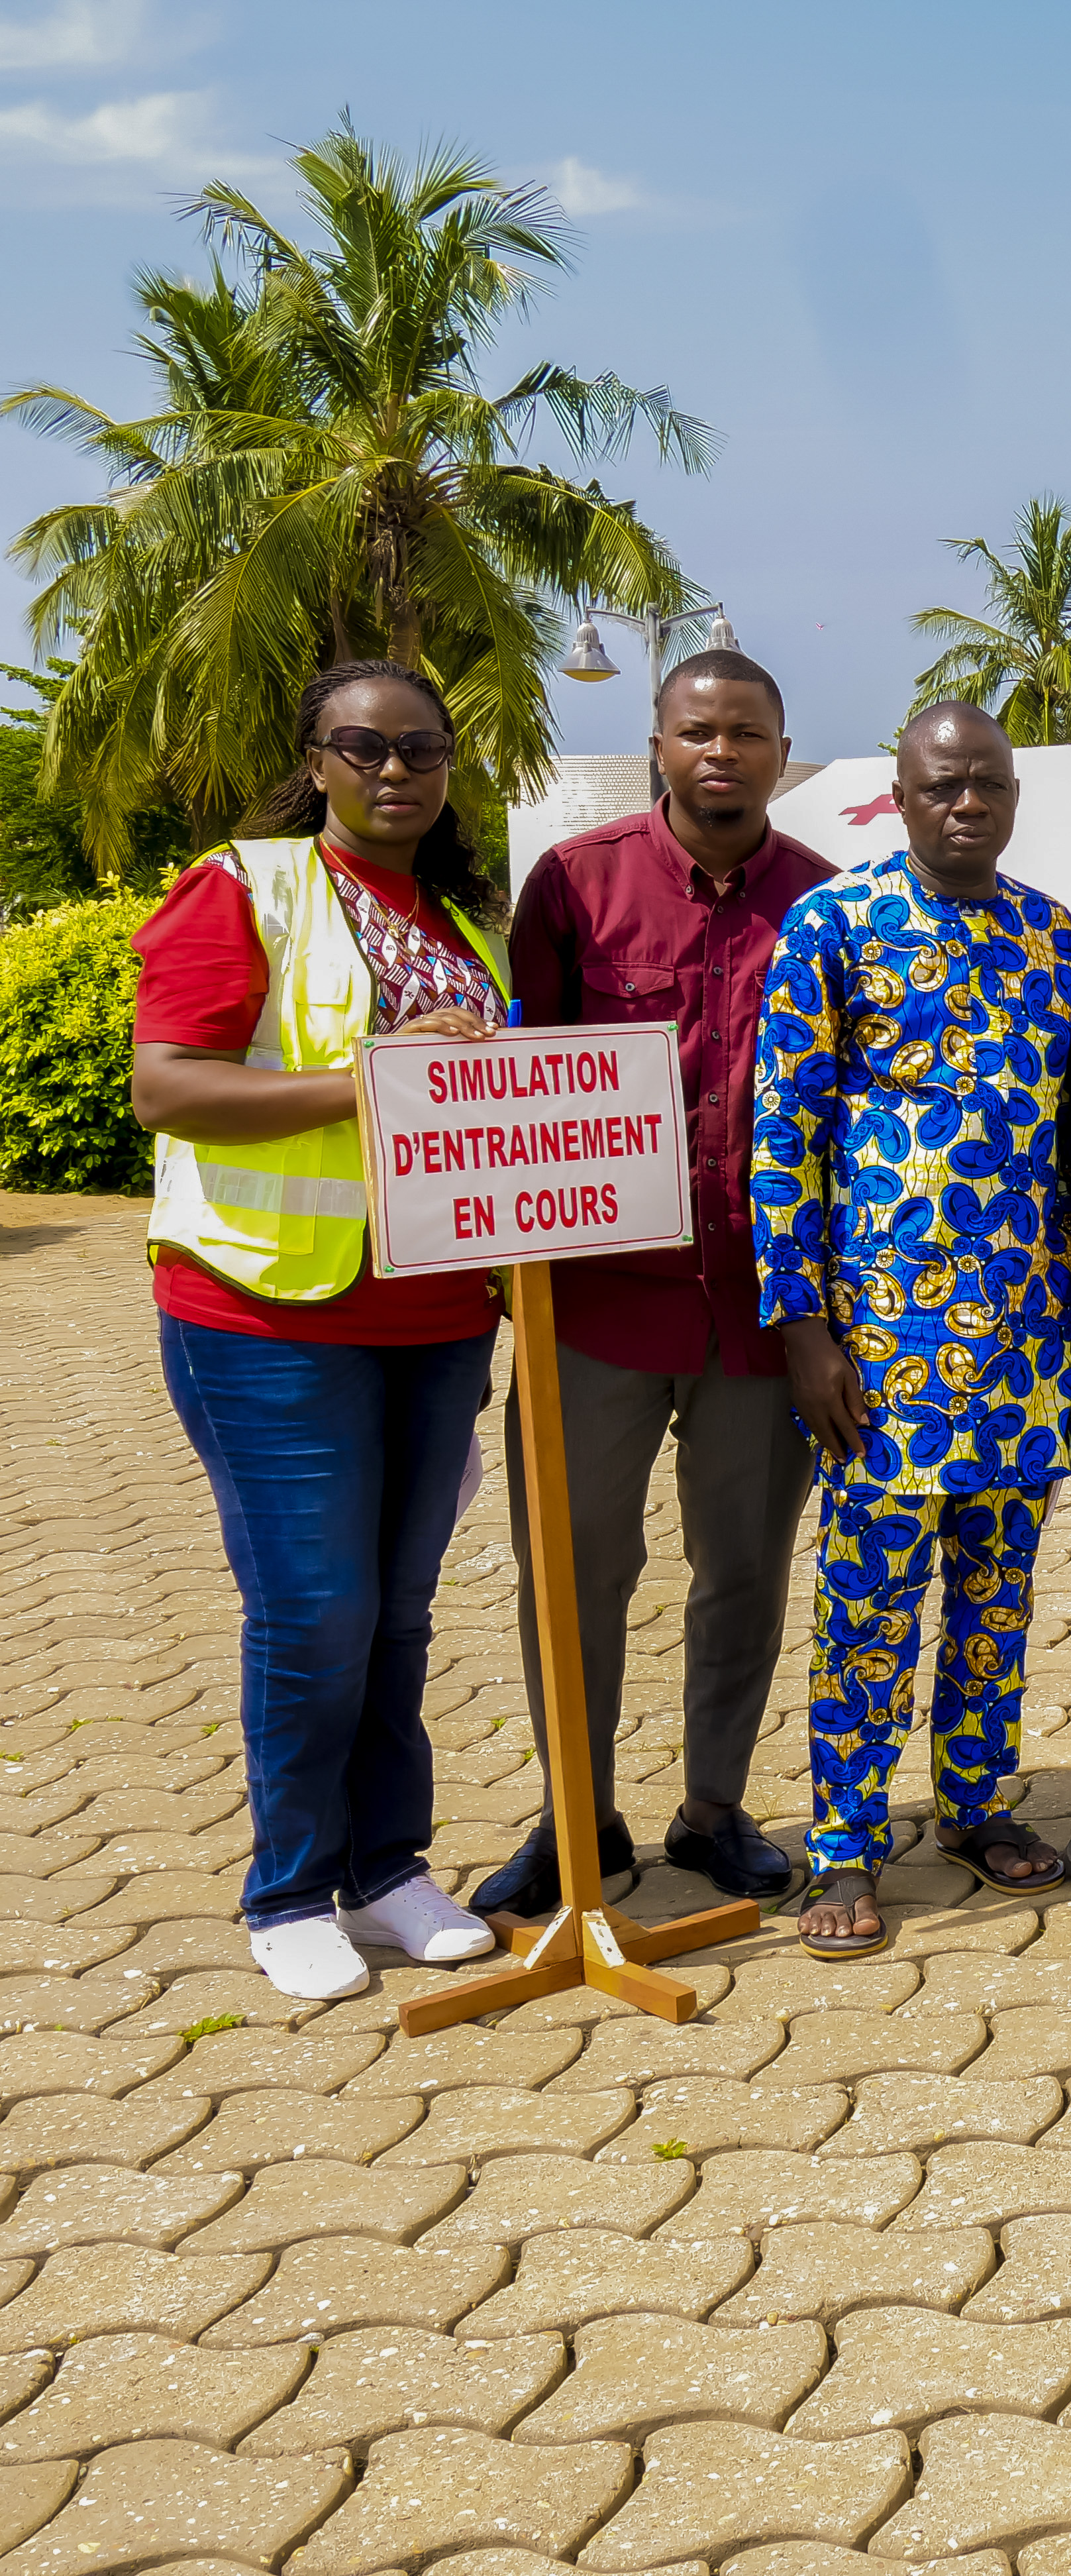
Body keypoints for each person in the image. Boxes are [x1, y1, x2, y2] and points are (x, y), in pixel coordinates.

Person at [128, 661, 511, 2000]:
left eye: (420, 748)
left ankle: (390, 1870)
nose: (395, 770)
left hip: (437, 1316)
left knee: (397, 1614)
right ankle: (290, 1887)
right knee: (314, 1612)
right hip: (265, 1313)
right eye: (364, 746)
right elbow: (165, 1087)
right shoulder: (249, 889)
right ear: (318, 759)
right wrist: (361, 1087)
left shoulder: (464, 924)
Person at [473, 649, 830, 1919]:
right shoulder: (576, 885)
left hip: (760, 1312)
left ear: (784, 749)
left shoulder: (830, 904)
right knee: (576, 1570)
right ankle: (583, 1821)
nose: (720, 752)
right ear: (658, 745)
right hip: (599, 1309)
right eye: (697, 731)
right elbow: (516, 1088)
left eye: (747, 731)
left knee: (743, 1567)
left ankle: (715, 1811)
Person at [751, 702, 1071, 1956]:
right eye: (943, 785)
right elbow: (782, 1133)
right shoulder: (835, 926)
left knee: (999, 1600)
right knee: (869, 1606)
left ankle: (974, 1807)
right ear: (897, 798)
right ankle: (843, 1849)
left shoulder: (1051, 934)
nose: (967, 803)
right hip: (884, 1350)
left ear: (1014, 797)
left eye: (989, 785)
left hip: (1024, 1340)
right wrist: (802, 1328)